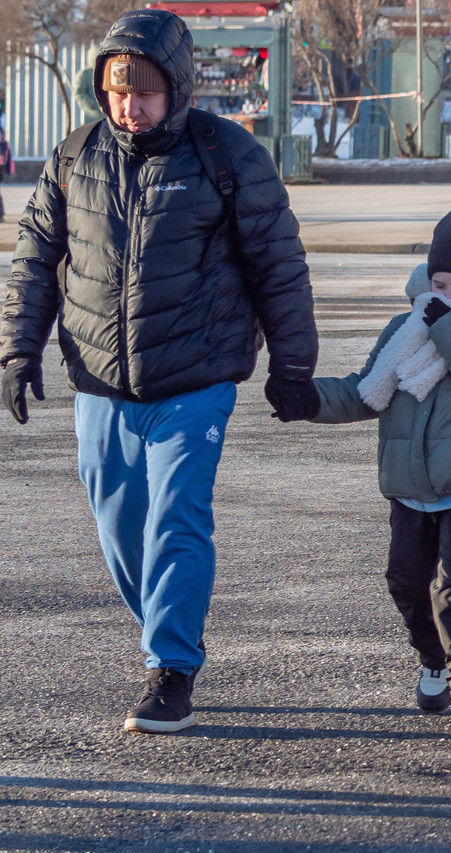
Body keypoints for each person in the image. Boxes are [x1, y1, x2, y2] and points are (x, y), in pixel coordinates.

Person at [0, 9, 319, 733]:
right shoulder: (75, 155)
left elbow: (279, 265)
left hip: (196, 378)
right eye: (117, 91)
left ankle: (170, 666)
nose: (128, 106)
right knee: (119, 524)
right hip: (101, 383)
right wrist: (18, 349)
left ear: (175, 88)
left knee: (177, 519)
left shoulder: (226, 156)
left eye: (143, 92)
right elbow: (35, 258)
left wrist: (293, 364)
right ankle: (169, 629)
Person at [303, 209, 451, 736]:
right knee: (407, 582)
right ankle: (433, 658)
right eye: (439, 284)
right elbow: (368, 390)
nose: (447, 295)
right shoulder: (407, 326)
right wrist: (307, 398)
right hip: (410, 485)